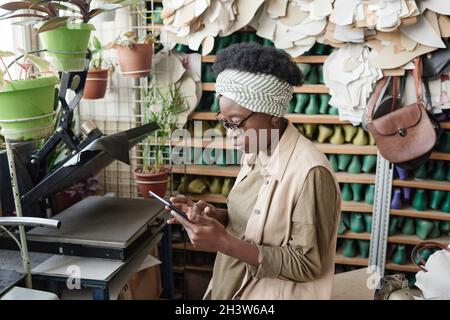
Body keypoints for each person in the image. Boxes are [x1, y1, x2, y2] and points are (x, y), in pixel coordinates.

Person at [166, 42, 341, 300]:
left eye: (236, 124)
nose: (229, 134)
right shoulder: (258, 150)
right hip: (230, 285)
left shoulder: (311, 173)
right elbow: (256, 220)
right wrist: (218, 217)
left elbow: (308, 264)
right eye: (224, 123)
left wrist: (225, 243)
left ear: (272, 115)